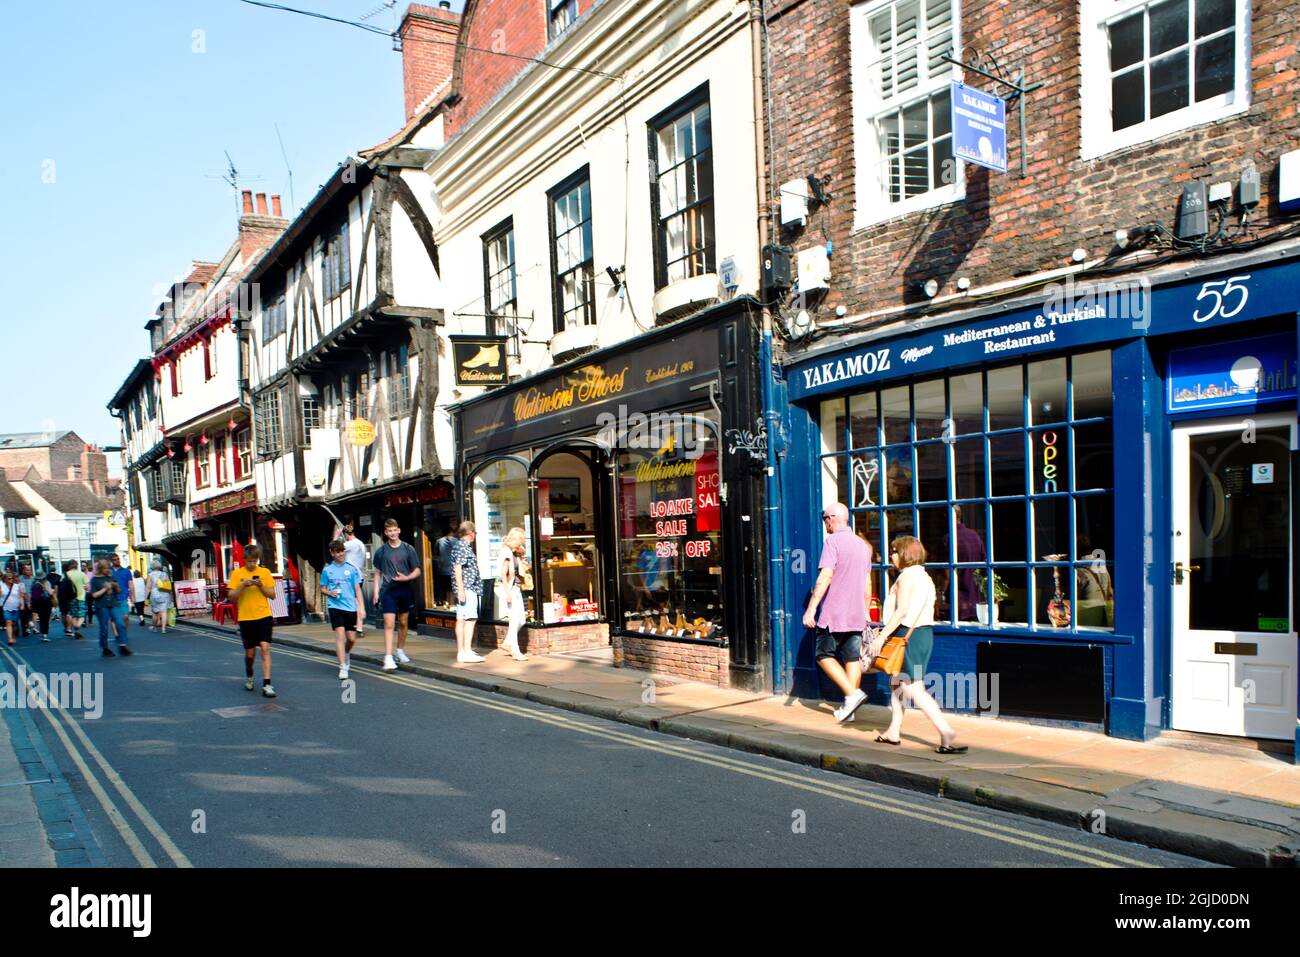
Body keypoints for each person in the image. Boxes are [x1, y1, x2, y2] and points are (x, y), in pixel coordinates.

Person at [875, 536, 966, 753]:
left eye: (894, 551)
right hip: (922, 635)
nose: (891, 556)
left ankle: (945, 730)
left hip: (907, 638)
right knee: (897, 683)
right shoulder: (924, 576)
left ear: (905, 554)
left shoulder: (907, 577)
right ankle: (893, 731)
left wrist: (881, 636)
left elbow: (902, 611)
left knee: (914, 688)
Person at [803, 502, 873, 723]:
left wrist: (811, 609)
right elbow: (867, 583)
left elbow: (826, 576)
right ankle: (849, 709)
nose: (825, 523)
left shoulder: (832, 542)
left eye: (825, 519)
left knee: (823, 655)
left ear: (833, 518)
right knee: (852, 659)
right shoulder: (863, 546)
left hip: (834, 614)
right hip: (856, 615)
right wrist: (866, 610)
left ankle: (853, 695)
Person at [371, 518, 421, 672]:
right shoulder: (381, 551)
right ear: (386, 533)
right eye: (389, 531)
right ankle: (388, 657)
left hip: (405, 590)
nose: (392, 533)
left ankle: (400, 650)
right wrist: (375, 592)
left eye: (394, 530)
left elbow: (417, 570)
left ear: (398, 530)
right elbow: (377, 573)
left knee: (404, 622)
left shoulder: (408, 549)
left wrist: (407, 577)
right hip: (388, 591)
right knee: (389, 624)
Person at [228, 544, 277, 697]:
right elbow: (231, 597)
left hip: (264, 616)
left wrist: (261, 585)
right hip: (246, 618)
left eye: (254, 561)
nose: (251, 564)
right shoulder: (237, 574)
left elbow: (272, 595)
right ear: (244, 560)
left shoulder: (265, 572)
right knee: (250, 654)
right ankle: (249, 675)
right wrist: (243, 585)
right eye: (249, 561)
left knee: (265, 648)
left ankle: (267, 684)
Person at [321, 538, 365, 681]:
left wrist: (361, 608)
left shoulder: (351, 569)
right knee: (340, 637)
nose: (340, 554)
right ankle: (342, 666)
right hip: (335, 607)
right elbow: (322, 588)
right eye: (337, 552)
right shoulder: (327, 570)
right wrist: (329, 593)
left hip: (350, 607)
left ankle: (346, 654)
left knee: (351, 639)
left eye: (342, 551)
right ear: (332, 553)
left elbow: (357, 589)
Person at [941, 504, 987, 622]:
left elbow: (947, 574)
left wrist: (940, 595)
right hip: (975, 601)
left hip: (956, 601)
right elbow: (985, 564)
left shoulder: (948, 538)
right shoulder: (975, 535)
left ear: (947, 517)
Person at [449, 521, 483, 664]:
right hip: (467, 588)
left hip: (466, 587)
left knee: (462, 620)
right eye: (475, 533)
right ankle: (465, 652)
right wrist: (461, 589)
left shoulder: (460, 545)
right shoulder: (462, 546)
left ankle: (463, 652)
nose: (475, 536)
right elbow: (458, 568)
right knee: (469, 620)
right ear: (471, 533)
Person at [495, 527, 529, 661]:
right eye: (521, 540)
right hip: (509, 589)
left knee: (521, 619)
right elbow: (503, 573)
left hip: (516, 588)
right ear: (516, 539)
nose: (522, 543)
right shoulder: (506, 552)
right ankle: (515, 650)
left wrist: (521, 553)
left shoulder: (513, 552)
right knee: (515, 620)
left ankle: (508, 642)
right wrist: (507, 592)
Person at [89, 559, 132, 658]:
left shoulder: (111, 577)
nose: (107, 569)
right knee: (104, 628)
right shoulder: (95, 580)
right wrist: (105, 588)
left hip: (113, 603)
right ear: (100, 569)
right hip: (101, 605)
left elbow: (118, 591)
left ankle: (122, 645)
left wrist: (115, 586)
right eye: (105, 568)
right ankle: (105, 648)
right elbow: (94, 595)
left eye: (108, 567)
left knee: (120, 623)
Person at [341, 525, 368, 636]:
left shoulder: (349, 544)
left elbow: (334, 548)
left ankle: (355, 627)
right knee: (357, 601)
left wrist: (336, 536)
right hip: (359, 575)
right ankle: (359, 627)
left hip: (350, 576)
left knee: (352, 602)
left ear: (346, 534)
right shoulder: (361, 543)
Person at [109, 553, 134, 646]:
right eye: (115, 559)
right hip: (112, 598)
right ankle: (116, 635)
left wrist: (132, 596)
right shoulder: (108, 572)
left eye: (118, 559)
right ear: (111, 561)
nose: (117, 560)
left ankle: (123, 632)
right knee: (113, 619)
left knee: (126, 617)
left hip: (123, 597)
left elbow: (130, 584)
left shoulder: (126, 571)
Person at [146, 561, 172, 634]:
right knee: (164, 612)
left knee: (155, 612)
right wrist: (171, 595)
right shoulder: (164, 574)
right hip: (164, 594)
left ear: (152, 567)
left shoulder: (150, 575)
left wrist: (146, 598)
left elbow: (148, 587)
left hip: (154, 594)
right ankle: (163, 629)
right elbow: (168, 585)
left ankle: (154, 627)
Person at [2, 571, 27, 646]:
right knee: (8, 622)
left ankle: (13, 636)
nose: (10, 580)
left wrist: (22, 604)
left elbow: (20, 596)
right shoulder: (2, 586)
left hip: (15, 607)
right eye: (9, 578)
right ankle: (10, 638)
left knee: (14, 624)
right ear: (5, 579)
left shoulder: (16, 586)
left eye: (12, 578)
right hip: (6, 607)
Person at [435, 524, 457, 607]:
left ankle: (447, 605)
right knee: (453, 589)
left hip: (442, 569)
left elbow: (435, 555)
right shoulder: (456, 541)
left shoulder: (439, 541)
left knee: (445, 590)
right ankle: (453, 605)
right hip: (453, 570)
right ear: (452, 532)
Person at [29, 567, 54, 643]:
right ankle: (44, 635)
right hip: (44, 604)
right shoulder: (41, 584)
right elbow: (50, 593)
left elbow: (34, 597)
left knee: (44, 620)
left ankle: (44, 634)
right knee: (44, 620)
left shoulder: (35, 585)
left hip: (42, 604)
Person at [65, 559, 88, 638]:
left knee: (74, 614)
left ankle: (76, 631)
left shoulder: (66, 574)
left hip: (70, 597)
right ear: (76, 565)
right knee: (82, 614)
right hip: (81, 597)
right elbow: (87, 587)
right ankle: (77, 626)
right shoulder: (82, 574)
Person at [18, 565, 36, 637]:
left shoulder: (34, 579)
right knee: (26, 615)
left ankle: (35, 628)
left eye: (30, 570)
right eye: (27, 570)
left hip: (33, 599)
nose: (29, 571)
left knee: (34, 613)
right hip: (23, 600)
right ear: (23, 571)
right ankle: (27, 628)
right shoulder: (20, 579)